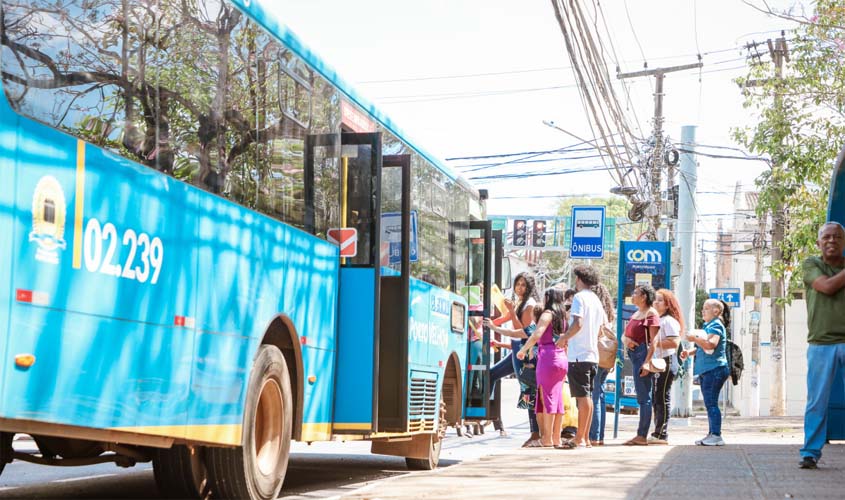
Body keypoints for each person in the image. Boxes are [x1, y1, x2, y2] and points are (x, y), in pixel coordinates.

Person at [798, 222, 845, 469]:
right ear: (818, 243)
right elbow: (826, 287)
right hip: (820, 343)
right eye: (826, 237)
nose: (831, 241)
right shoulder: (811, 264)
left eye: (837, 237)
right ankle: (810, 452)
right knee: (817, 401)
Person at [484, 272, 540, 445]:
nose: (519, 288)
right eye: (517, 284)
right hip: (516, 349)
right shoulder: (519, 302)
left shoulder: (529, 305)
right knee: (492, 374)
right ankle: (490, 415)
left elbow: (521, 331)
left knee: (528, 390)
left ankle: (535, 433)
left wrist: (509, 312)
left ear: (529, 287)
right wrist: (484, 323)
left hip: (524, 350)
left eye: (523, 285)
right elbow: (503, 319)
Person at [556, 265, 603, 448]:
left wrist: (564, 338)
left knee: (582, 398)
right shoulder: (596, 300)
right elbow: (600, 330)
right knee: (588, 396)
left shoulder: (579, 298)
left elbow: (578, 322)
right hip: (593, 355)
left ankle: (580, 438)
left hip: (579, 355)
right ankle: (586, 438)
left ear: (580, 279)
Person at [517, 288, 569, 448]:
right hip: (561, 358)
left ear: (548, 297)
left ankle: (546, 438)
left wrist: (523, 349)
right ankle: (556, 438)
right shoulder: (563, 317)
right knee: (557, 399)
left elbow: (537, 334)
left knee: (547, 399)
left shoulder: (547, 314)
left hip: (548, 358)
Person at [680, 298, 729, 446]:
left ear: (716, 311)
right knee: (709, 404)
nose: (703, 311)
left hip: (714, 370)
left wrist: (694, 338)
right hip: (708, 370)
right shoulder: (709, 325)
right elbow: (704, 347)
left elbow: (711, 344)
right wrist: (690, 352)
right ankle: (711, 433)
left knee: (711, 403)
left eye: (706, 308)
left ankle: (716, 435)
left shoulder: (716, 326)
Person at [622, 284, 660, 446]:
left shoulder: (651, 313)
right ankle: (640, 434)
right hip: (634, 354)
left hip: (643, 355)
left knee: (644, 397)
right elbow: (625, 334)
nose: (633, 295)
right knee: (641, 396)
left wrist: (646, 362)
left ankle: (642, 435)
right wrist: (627, 341)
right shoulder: (637, 313)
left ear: (644, 296)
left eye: (636, 293)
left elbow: (654, 341)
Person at [649, 288, 683, 445]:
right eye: (655, 299)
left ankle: (661, 433)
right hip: (658, 361)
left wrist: (654, 343)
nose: (656, 302)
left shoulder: (669, 321)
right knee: (657, 398)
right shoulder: (658, 319)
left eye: (660, 300)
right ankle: (657, 431)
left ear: (668, 305)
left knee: (662, 397)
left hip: (667, 361)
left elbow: (674, 342)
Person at [589, 282, 616, 446]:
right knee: (600, 395)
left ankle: (594, 435)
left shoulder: (596, 312)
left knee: (594, 396)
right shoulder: (609, 313)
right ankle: (599, 435)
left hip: (596, 356)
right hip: (606, 359)